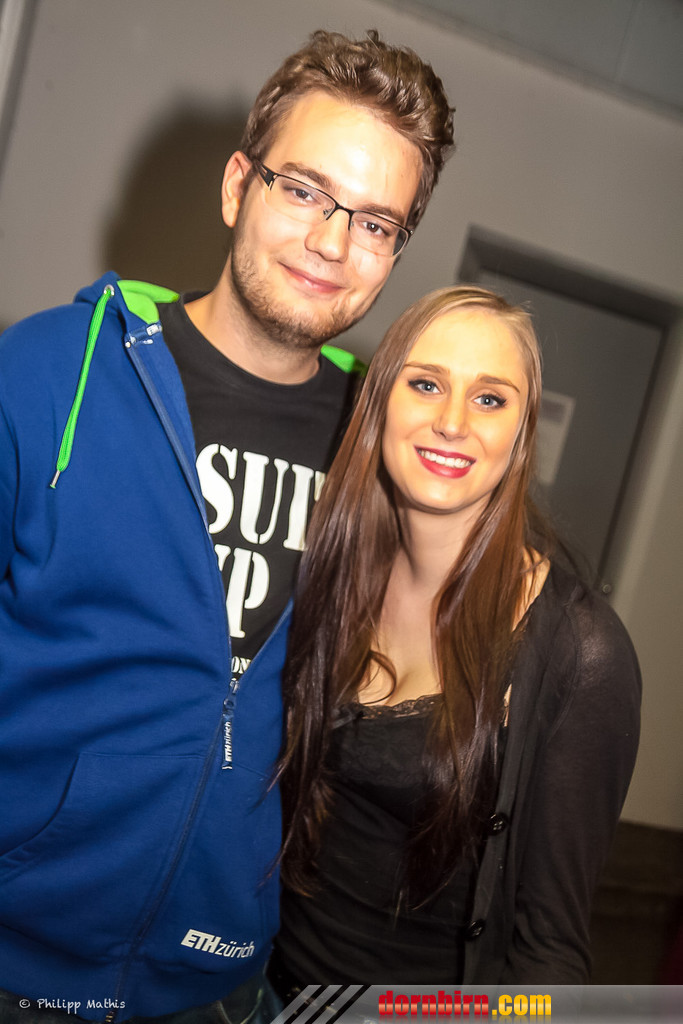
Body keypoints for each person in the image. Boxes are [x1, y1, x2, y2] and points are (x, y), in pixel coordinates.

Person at [0, 30, 453, 1024]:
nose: (331, 243)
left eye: (374, 221)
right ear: (237, 186)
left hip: (217, 984)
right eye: (304, 191)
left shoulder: (380, 447)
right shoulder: (47, 372)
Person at [269, 285, 641, 994]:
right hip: (260, 991)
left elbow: (550, 955)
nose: (451, 422)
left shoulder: (580, 652)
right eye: (426, 384)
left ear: (521, 434)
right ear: (380, 401)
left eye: (489, 399)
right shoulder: (328, 571)